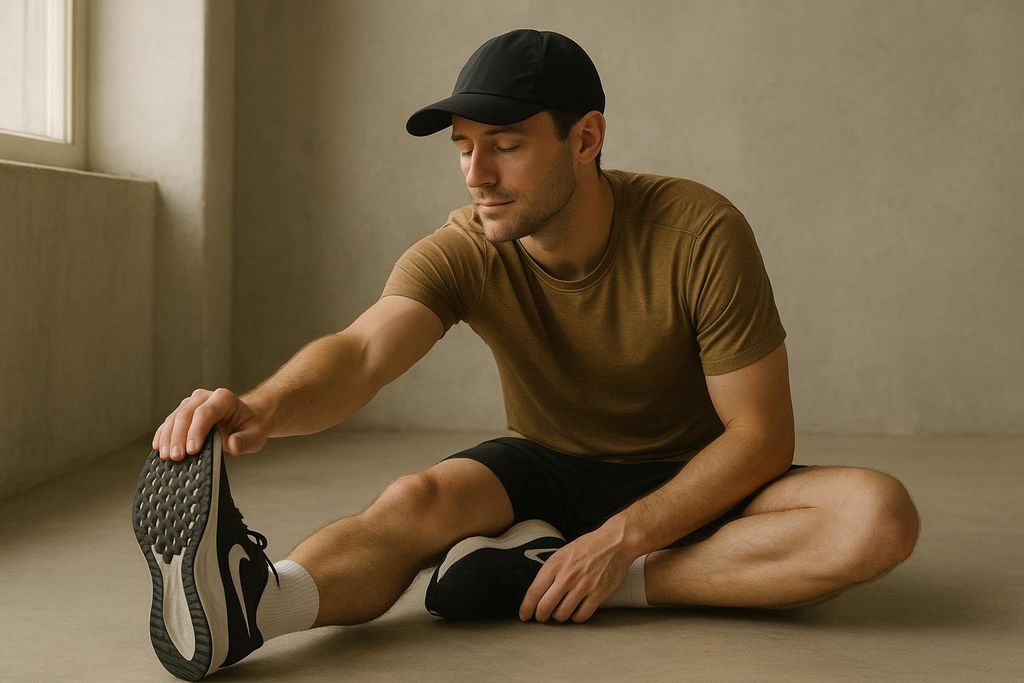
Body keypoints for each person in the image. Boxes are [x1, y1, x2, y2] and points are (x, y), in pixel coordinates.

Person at [131, 29, 921, 681]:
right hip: (548, 463)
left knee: (874, 518)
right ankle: (256, 605)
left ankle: (558, 579)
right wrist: (263, 406)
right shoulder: (468, 245)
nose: (478, 174)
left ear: (585, 139)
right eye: (465, 148)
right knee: (414, 497)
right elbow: (363, 352)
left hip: (694, 478)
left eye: (505, 145)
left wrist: (620, 544)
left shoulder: (700, 231)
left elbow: (760, 436)